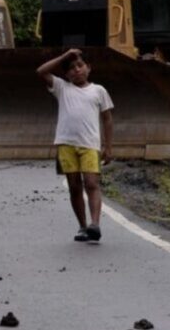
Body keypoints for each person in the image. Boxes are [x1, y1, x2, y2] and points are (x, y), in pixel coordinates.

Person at [37, 48, 114, 242]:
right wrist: (64, 56)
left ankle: (94, 224)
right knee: (74, 186)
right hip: (66, 144)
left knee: (91, 183)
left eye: (80, 65)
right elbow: (41, 71)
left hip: (90, 145)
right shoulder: (62, 88)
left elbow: (107, 119)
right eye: (71, 68)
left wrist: (108, 147)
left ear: (89, 68)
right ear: (66, 74)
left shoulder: (99, 91)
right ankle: (82, 226)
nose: (77, 70)